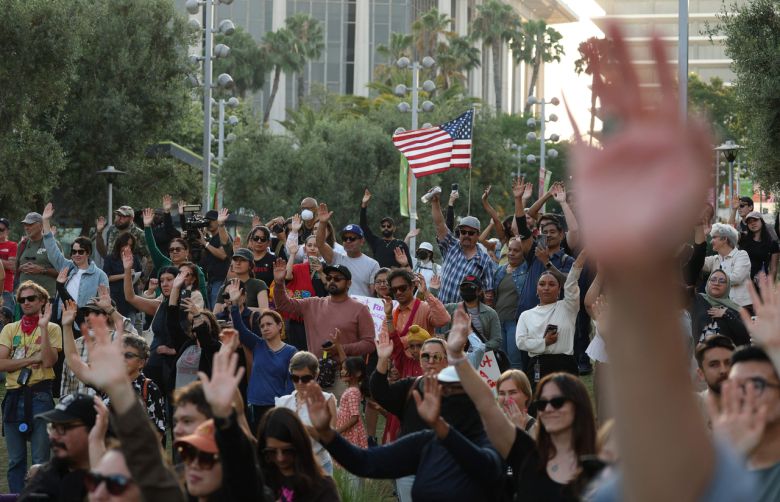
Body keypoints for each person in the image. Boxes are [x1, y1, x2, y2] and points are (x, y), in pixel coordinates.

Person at [446, 308, 596, 501]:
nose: (548, 408)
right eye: (542, 403)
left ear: (578, 406)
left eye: (557, 402)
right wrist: (456, 356)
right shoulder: (530, 453)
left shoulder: (598, 467)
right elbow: (486, 403)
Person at [305, 370, 505, 502]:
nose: (448, 397)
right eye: (443, 391)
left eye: (456, 390)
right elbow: (365, 462)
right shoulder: (426, 443)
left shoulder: (495, 439)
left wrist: (441, 427)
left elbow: (485, 467)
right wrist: (327, 433)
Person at [0, 281, 61, 492]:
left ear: (42, 301)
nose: (26, 302)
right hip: (13, 396)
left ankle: (39, 497)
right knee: (15, 460)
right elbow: (1, 363)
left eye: (31, 298)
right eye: (22, 299)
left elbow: (49, 361)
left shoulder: (52, 328)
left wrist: (43, 327)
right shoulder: (10, 328)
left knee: (40, 460)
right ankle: (18, 497)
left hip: (40, 396)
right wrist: (31, 359)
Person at [227, 279, 296, 427]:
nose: (265, 328)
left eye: (269, 324)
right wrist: (234, 303)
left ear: (279, 326)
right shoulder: (257, 344)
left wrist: (284, 405)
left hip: (277, 406)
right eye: (262, 325)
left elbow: (291, 383)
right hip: (255, 404)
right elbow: (239, 327)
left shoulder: (291, 351)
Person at [273, 259, 375, 359]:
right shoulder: (312, 304)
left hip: (346, 369)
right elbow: (283, 304)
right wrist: (279, 283)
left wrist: (341, 349)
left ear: (349, 283)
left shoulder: (360, 309)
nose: (332, 281)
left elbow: (370, 344)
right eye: (329, 278)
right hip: (316, 368)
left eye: (337, 279)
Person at [517, 251, 585, 385]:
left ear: (559, 290)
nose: (546, 288)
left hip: (565, 365)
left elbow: (571, 283)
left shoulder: (568, 307)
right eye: (542, 284)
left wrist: (580, 261)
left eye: (552, 284)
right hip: (537, 365)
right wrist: (544, 342)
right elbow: (521, 342)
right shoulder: (526, 315)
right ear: (536, 290)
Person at [121, 248, 179, 396]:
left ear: (179, 281)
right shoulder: (160, 305)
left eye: (169, 280)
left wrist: (172, 350)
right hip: (153, 369)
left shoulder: (187, 305)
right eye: (162, 281)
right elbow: (130, 297)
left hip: (175, 371)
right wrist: (127, 270)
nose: (164, 284)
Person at [18, 393, 97, 501]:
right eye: (53, 427)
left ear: (94, 430)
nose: (53, 436)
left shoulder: (115, 473)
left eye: (63, 428)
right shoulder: (48, 474)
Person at [59, 290, 138, 397]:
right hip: (80, 406)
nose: (88, 317)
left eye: (95, 313)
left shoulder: (116, 338)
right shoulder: (75, 344)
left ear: (107, 316)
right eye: (86, 313)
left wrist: (110, 309)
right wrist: (67, 325)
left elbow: (133, 338)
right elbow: (67, 383)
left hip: (109, 405)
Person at [275, 351, 338, 475]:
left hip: (320, 467)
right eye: (295, 378)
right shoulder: (282, 402)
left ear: (316, 375)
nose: (299, 383)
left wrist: (300, 428)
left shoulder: (327, 400)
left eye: (305, 378)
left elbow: (330, 439)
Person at [257, 408, 340, 501]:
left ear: (300, 447)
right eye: (272, 452)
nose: (280, 458)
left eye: (287, 451)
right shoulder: (260, 483)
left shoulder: (323, 488)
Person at [429, 191, 496, 304]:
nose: (466, 235)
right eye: (463, 232)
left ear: (478, 235)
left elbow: (489, 294)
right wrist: (435, 202)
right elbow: (440, 224)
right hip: (441, 309)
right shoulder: (451, 245)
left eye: (471, 233)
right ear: (459, 233)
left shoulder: (485, 261)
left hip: (465, 313)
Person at [42, 203, 109, 308]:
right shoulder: (66, 267)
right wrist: (45, 221)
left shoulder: (100, 275)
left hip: (86, 317)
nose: (77, 254)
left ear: (88, 253)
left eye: (80, 252)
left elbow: (105, 303)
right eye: (74, 252)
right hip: (63, 316)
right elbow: (52, 250)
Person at [143, 208, 208, 301]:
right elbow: (152, 247)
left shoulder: (194, 270)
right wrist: (147, 226)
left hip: (185, 306)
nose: (174, 251)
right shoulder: (163, 263)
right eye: (171, 249)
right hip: (161, 304)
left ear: (186, 251)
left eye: (178, 249)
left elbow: (203, 295)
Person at [316, 203, 380, 297]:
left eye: (352, 238)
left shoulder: (373, 264)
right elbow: (320, 244)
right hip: (338, 305)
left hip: (361, 306)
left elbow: (374, 294)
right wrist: (322, 223)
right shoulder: (336, 258)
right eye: (345, 239)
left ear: (362, 241)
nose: (348, 241)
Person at [283, 233, 327, 350]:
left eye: (316, 246)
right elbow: (287, 276)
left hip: (318, 317)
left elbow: (329, 287)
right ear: (305, 249)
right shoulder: (298, 267)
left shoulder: (327, 267)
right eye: (309, 245)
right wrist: (292, 254)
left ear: (321, 248)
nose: (312, 248)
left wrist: (321, 272)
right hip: (298, 318)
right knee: (298, 352)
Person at [694, 223, 751, 310]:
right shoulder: (715, 259)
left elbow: (737, 278)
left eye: (714, 237)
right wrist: (703, 236)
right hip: (719, 306)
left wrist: (713, 280)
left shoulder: (741, 255)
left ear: (724, 239)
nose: (711, 241)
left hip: (741, 308)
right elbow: (696, 261)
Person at [494, 237, 529, 370]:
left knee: (515, 362)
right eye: (510, 249)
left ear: (523, 253)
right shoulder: (500, 271)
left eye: (516, 250)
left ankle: (519, 383)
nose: (511, 253)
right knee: (501, 362)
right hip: (498, 322)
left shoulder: (527, 269)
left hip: (515, 322)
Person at [690, 269, 750, 346]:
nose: (717, 283)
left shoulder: (735, 310)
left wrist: (727, 314)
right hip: (697, 351)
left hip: (726, 351)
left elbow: (745, 337)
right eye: (713, 280)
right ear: (708, 282)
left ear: (728, 286)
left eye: (722, 281)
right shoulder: (697, 299)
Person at [444, 275, 502, 355]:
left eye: (471, 287)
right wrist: (432, 290)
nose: (467, 290)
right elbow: (432, 309)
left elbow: (496, 340)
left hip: (481, 358)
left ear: (480, 291)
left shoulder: (491, 313)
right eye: (464, 287)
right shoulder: (450, 308)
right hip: (456, 356)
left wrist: (481, 348)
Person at [359, 188, 413, 268]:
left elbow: (410, 267)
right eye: (383, 226)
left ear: (394, 228)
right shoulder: (376, 242)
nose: (386, 228)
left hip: (396, 275)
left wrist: (399, 269)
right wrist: (364, 206)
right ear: (380, 228)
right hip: (379, 275)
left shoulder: (401, 244)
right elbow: (363, 226)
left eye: (389, 226)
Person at [16, 212, 59, 299]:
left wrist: (42, 270)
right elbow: (16, 269)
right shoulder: (22, 244)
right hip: (24, 298)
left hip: (46, 297)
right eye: (25, 225)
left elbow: (62, 272)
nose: (26, 227)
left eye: (30, 224)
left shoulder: (52, 244)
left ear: (41, 226)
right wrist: (21, 268)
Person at [213, 248, 269, 314]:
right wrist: (225, 307)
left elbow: (265, 311)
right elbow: (215, 314)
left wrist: (238, 306)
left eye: (243, 260)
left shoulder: (259, 284)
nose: (238, 263)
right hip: (229, 320)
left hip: (251, 320)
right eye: (235, 260)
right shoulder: (225, 287)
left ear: (250, 266)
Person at [694, 335, 735, 422]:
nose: (723, 370)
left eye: (728, 363)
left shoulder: (755, 405)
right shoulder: (691, 406)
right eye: (714, 365)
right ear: (701, 374)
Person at [196, 208, 232, 308]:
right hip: (211, 280)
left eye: (212, 220)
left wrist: (205, 243)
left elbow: (223, 255)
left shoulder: (223, 236)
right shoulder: (211, 239)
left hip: (220, 280)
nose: (209, 223)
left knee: (216, 310)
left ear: (218, 221)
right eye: (207, 220)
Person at [102, 233, 142, 319]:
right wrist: (125, 275)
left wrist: (136, 277)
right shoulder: (110, 259)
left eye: (130, 245)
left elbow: (140, 275)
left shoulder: (134, 258)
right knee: (116, 324)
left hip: (131, 300)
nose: (128, 248)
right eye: (126, 245)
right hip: (116, 298)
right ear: (120, 244)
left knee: (130, 325)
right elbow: (107, 277)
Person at [738, 211, 779, 286]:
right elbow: (728, 233)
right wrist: (734, 210)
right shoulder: (743, 239)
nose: (753, 223)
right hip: (742, 282)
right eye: (750, 222)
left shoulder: (772, 244)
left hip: (761, 283)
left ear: (762, 221)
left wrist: (770, 287)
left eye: (755, 220)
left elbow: (773, 268)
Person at [336, 357, 369, 449]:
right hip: (347, 429)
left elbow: (355, 418)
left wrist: (337, 431)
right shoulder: (352, 389)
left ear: (358, 373)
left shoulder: (352, 392)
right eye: (342, 368)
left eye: (346, 369)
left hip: (349, 432)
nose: (342, 371)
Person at [496, 369, 537, 435]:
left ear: (526, 395)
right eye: (501, 393)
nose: (506, 399)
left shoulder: (537, 430)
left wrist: (519, 430)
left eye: (513, 392)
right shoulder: (493, 424)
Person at [0, 216, 18, 309]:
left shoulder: (12, 245)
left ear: (7, 231)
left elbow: (12, 265)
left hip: (5, 290)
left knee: (5, 316)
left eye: (1, 229)